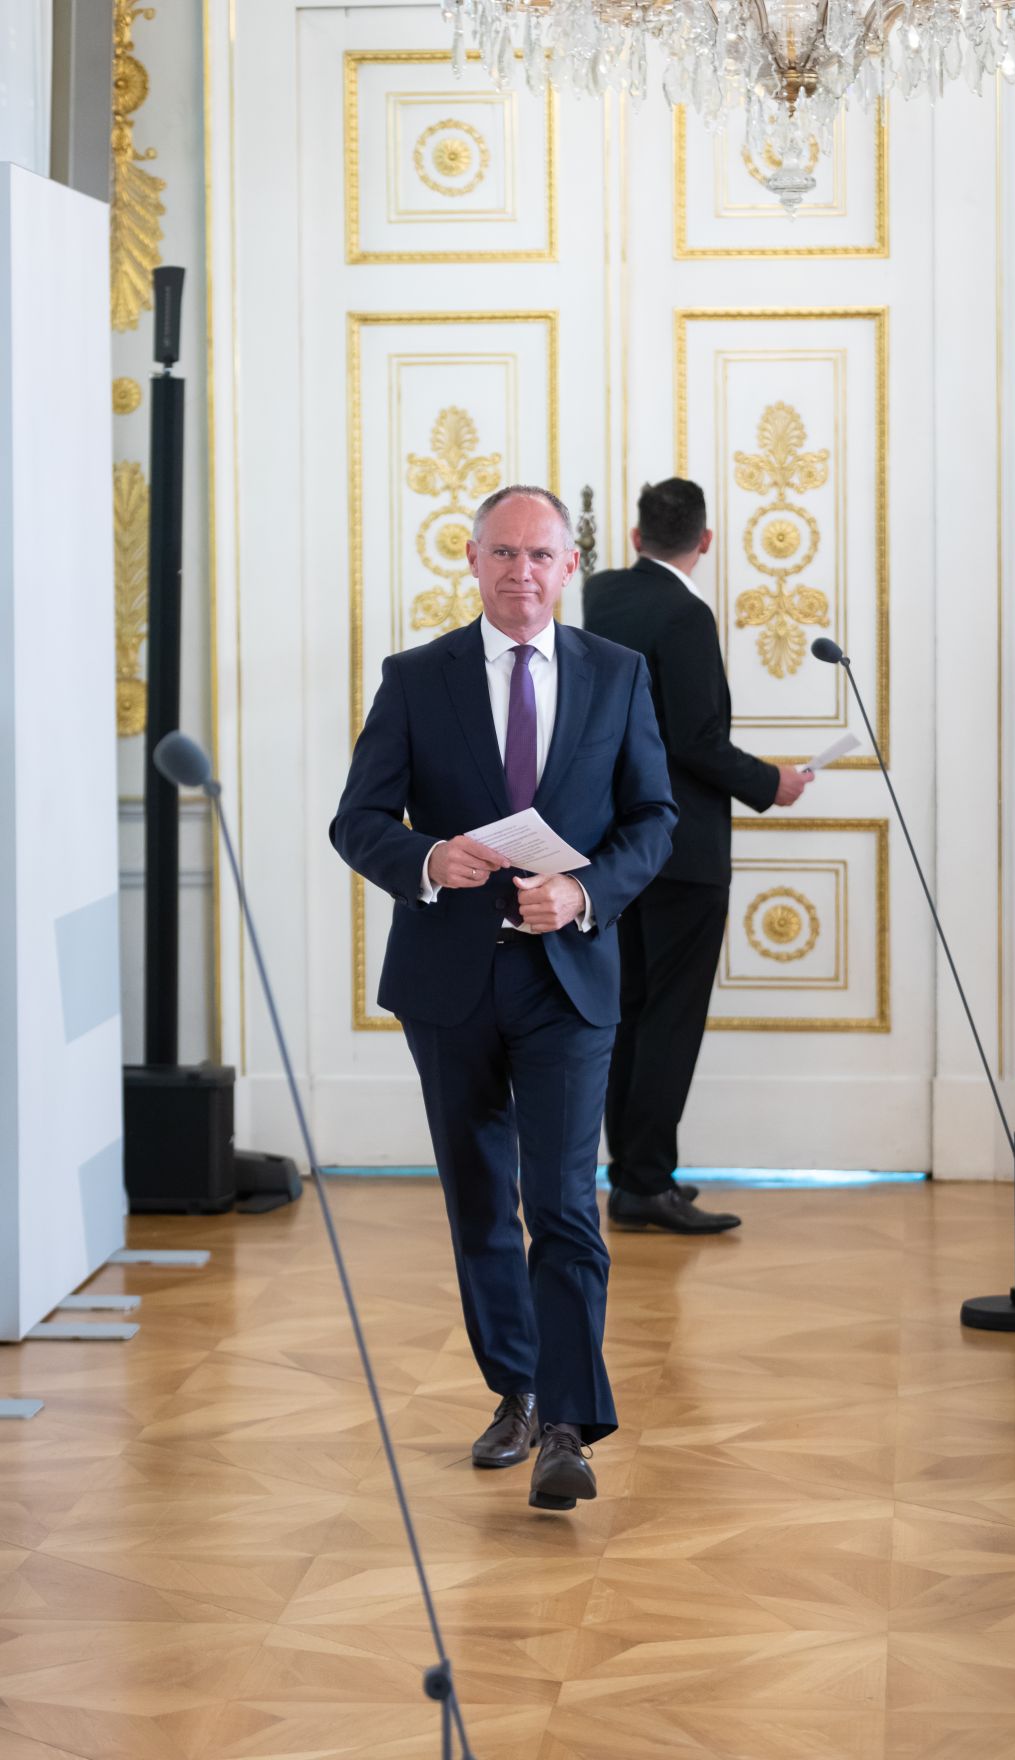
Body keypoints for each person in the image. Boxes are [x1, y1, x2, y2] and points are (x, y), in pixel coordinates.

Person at [330, 485, 676, 1511]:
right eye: (504, 554)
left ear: (570, 567)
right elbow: (357, 820)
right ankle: (516, 1390)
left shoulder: (620, 674)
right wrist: (429, 856)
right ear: (472, 561)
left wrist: (583, 890)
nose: (522, 573)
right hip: (449, 980)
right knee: (480, 1198)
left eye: (542, 555)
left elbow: (654, 818)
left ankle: (569, 1423)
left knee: (565, 1201)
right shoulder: (415, 677)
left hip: (568, 977)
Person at [583, 477, 814, 1235]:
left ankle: (633, 1180)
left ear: (634, 535)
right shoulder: (684, 614)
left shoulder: (601, 595)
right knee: (669, 1022)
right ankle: (645, 1183)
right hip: (681, 851)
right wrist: (770, 783)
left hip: (612, 847)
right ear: (705, 542)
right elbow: (695, 740)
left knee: (625, 1017)